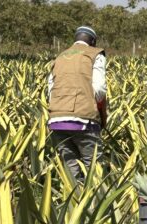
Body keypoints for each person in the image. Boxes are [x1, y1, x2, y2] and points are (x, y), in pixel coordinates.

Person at [47, 26, 108, 181]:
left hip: (56, 120)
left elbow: (50, 89)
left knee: (70, 171)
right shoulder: (95, 54)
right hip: (83, 119)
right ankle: (96, 203)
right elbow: (99, 89)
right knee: (94, 169)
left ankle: (72, 203)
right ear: (93, 41)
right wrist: (101, 115)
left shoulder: (60, 57)